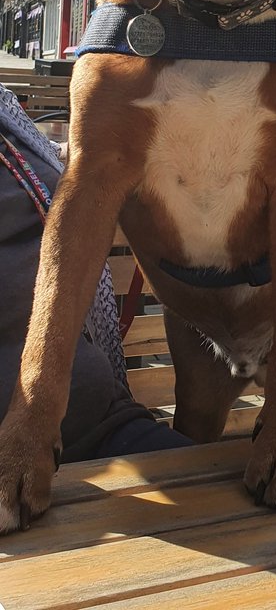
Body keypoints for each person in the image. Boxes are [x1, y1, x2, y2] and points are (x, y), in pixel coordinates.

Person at [0, 82, 193, 461]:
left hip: (108, 424)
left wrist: (116, 153)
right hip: (27, 449)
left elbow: (56, 162)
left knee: (240, 502)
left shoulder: (6, 115)